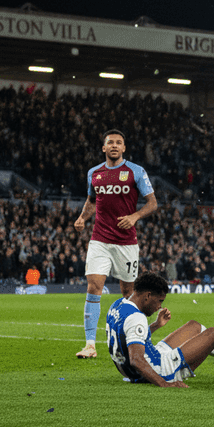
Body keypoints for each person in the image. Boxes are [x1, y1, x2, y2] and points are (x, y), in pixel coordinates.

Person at [74, 129, 158, 359]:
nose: (114, 145)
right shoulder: (94, 173)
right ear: (104, 148)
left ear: (124, 148)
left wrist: (135, 217)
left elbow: (152, 203)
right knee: (94, 287)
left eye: (118, 143)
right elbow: (92, 201)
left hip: (126, 242)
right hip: (99, 239)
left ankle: (133, 341)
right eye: (110, 142)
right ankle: (90, 345)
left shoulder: (136, 171)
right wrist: (82, 218)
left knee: (128, 292)